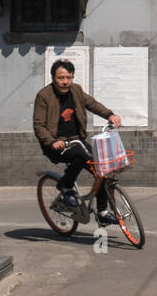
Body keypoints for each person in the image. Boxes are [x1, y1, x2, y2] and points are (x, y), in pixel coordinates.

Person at [33, 59, 122, 225]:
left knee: (102, 169)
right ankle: (65, 186)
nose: (65, 82)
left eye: (69, 77)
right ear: (53, 78)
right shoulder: (44, 96)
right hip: (55, 144)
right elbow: (38, 125)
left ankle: (102, 212)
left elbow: (93, 104)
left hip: (77, 140)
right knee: (80, 156)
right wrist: (51, 141)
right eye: (61, 78)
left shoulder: (76, 90)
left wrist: (110, 114)